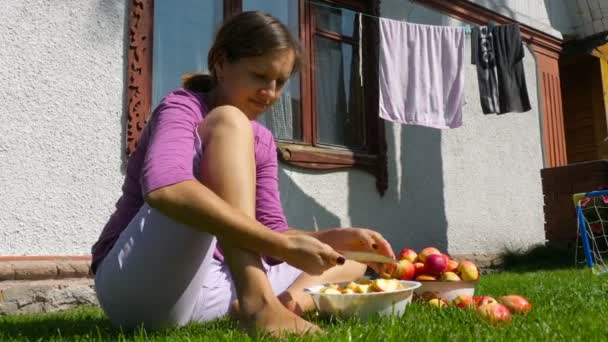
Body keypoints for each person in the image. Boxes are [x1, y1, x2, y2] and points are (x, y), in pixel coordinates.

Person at [91, 11, 394, 337]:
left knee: (350, 260)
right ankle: (259, 304)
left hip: (210, 288)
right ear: (220, 63)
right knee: (230, 120)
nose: (271, 93)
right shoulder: (182, 107)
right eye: (260, 76)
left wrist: (327, 238)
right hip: (138, 284)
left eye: (280, 82)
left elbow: (268, 233)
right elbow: (166, 190)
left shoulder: (262, 140)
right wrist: (283, 245)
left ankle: (286, 304)